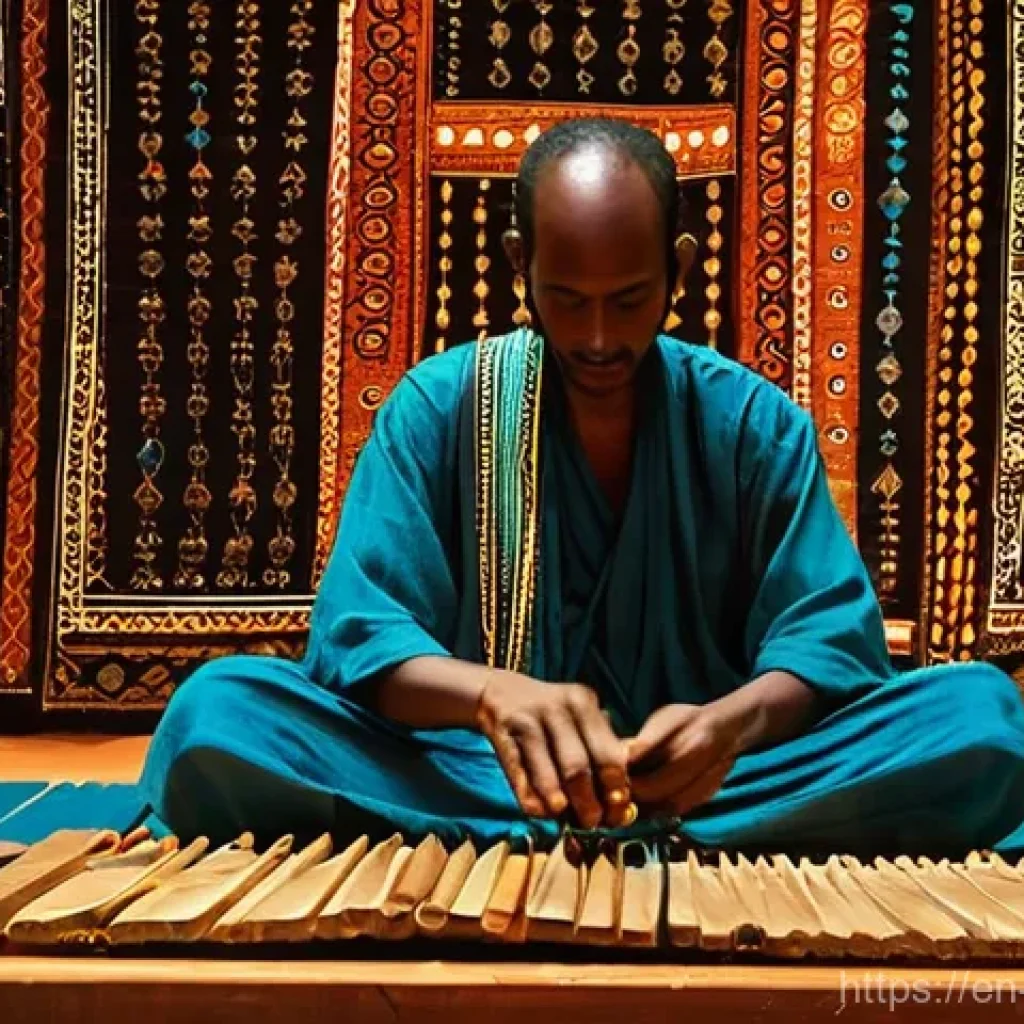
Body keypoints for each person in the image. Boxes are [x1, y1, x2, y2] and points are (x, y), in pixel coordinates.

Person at [139, 118, 1024, 859]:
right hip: (479, 767)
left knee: (981, 716)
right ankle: (671, 836)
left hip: (713, 780)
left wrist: (730, 728)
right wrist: (491, 697)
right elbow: (359, 640)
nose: (599, 337)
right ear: (520, 262)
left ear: (679, 268)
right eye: (567, 299)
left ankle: (573, 828)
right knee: (217, 717)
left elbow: (830, 646)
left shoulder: (755, 426)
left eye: (630, 298)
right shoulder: (439, 410)